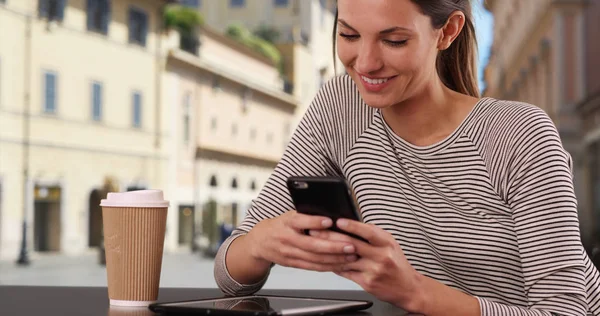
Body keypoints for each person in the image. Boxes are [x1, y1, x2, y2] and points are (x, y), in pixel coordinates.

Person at [213, 0, 600, 315]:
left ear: (447, 31)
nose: (364, 63)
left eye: (393, 40)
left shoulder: (519, 133)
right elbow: (229, 275)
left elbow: (567, 311)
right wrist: (261, 243)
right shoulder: (340, 107)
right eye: (348, 34)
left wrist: (415, 292)